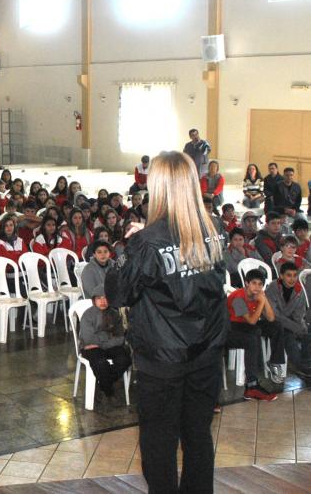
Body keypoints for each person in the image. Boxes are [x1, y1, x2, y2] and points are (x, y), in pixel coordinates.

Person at [105, 150, 226, 493]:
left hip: (163, 360)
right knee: (198, 437)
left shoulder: (145, 243)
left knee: (159, 445)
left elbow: (117, 295)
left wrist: (129, 246)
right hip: (207, 354)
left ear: (158, 187)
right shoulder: (213, 228)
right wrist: (150, 238)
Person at [226, 269, 284, 398]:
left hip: (246, 326)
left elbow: (271, 318)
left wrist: (265, 300)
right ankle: (252, 384)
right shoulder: (238, 297)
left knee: (277, 326)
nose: (257, 287)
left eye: (260, 284)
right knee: (254, 334)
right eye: (254, 283)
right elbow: (252, 321)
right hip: (230, 329)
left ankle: (274, 363)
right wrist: (262, 302)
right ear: (246, 283)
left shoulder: (258, 295)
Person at [77, 285, 131, 403]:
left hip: (107, 345)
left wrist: (103, 343)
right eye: (99, 298)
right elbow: (89, 338)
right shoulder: (88, 315)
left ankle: (103, 381)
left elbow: (120, 338)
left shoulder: (114, 314)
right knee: (100, 363)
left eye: (106, 298)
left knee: (125, 359)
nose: (103, 301)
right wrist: (108, 338)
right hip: (90, 347)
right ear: (94, 300)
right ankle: (108, 391)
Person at [264, 262, 311, 379]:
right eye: (289, 275)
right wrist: (296, 328)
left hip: (288, 322)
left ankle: (305, 367)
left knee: (308, 332)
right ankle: (301, 367)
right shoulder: (273, 287)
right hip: (270, 322)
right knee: (288, 335)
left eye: (295, 275)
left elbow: (298, 315)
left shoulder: (299, 291)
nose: (293, 279)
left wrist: (302, 328)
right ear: (281, 276)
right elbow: (275, 315)